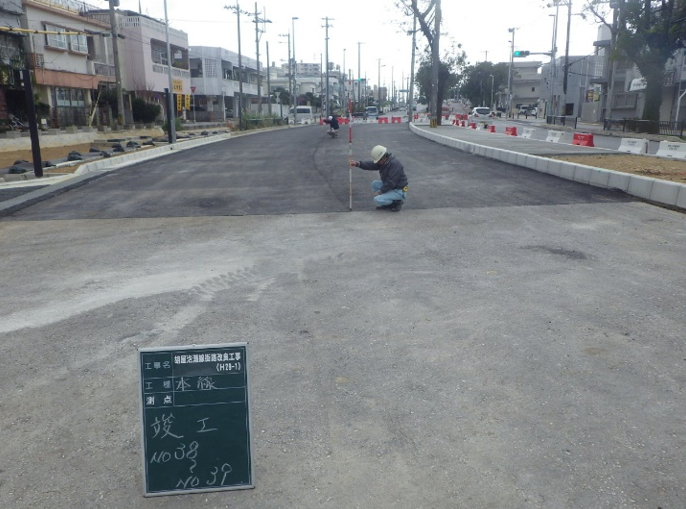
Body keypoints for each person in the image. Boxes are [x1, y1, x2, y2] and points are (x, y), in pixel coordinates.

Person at [349, 145, 408, 212]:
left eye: (378, 160)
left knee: (377, 199)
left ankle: (397, 202)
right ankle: (389, 202)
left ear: (383, 157)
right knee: (375, 184)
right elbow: (371, 165)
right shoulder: (385, 162)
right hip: (393, 187)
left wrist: (381, 191)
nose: (377, 162)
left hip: (400, 190)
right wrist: (358, 164)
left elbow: (391, 182)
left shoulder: (394, 164)